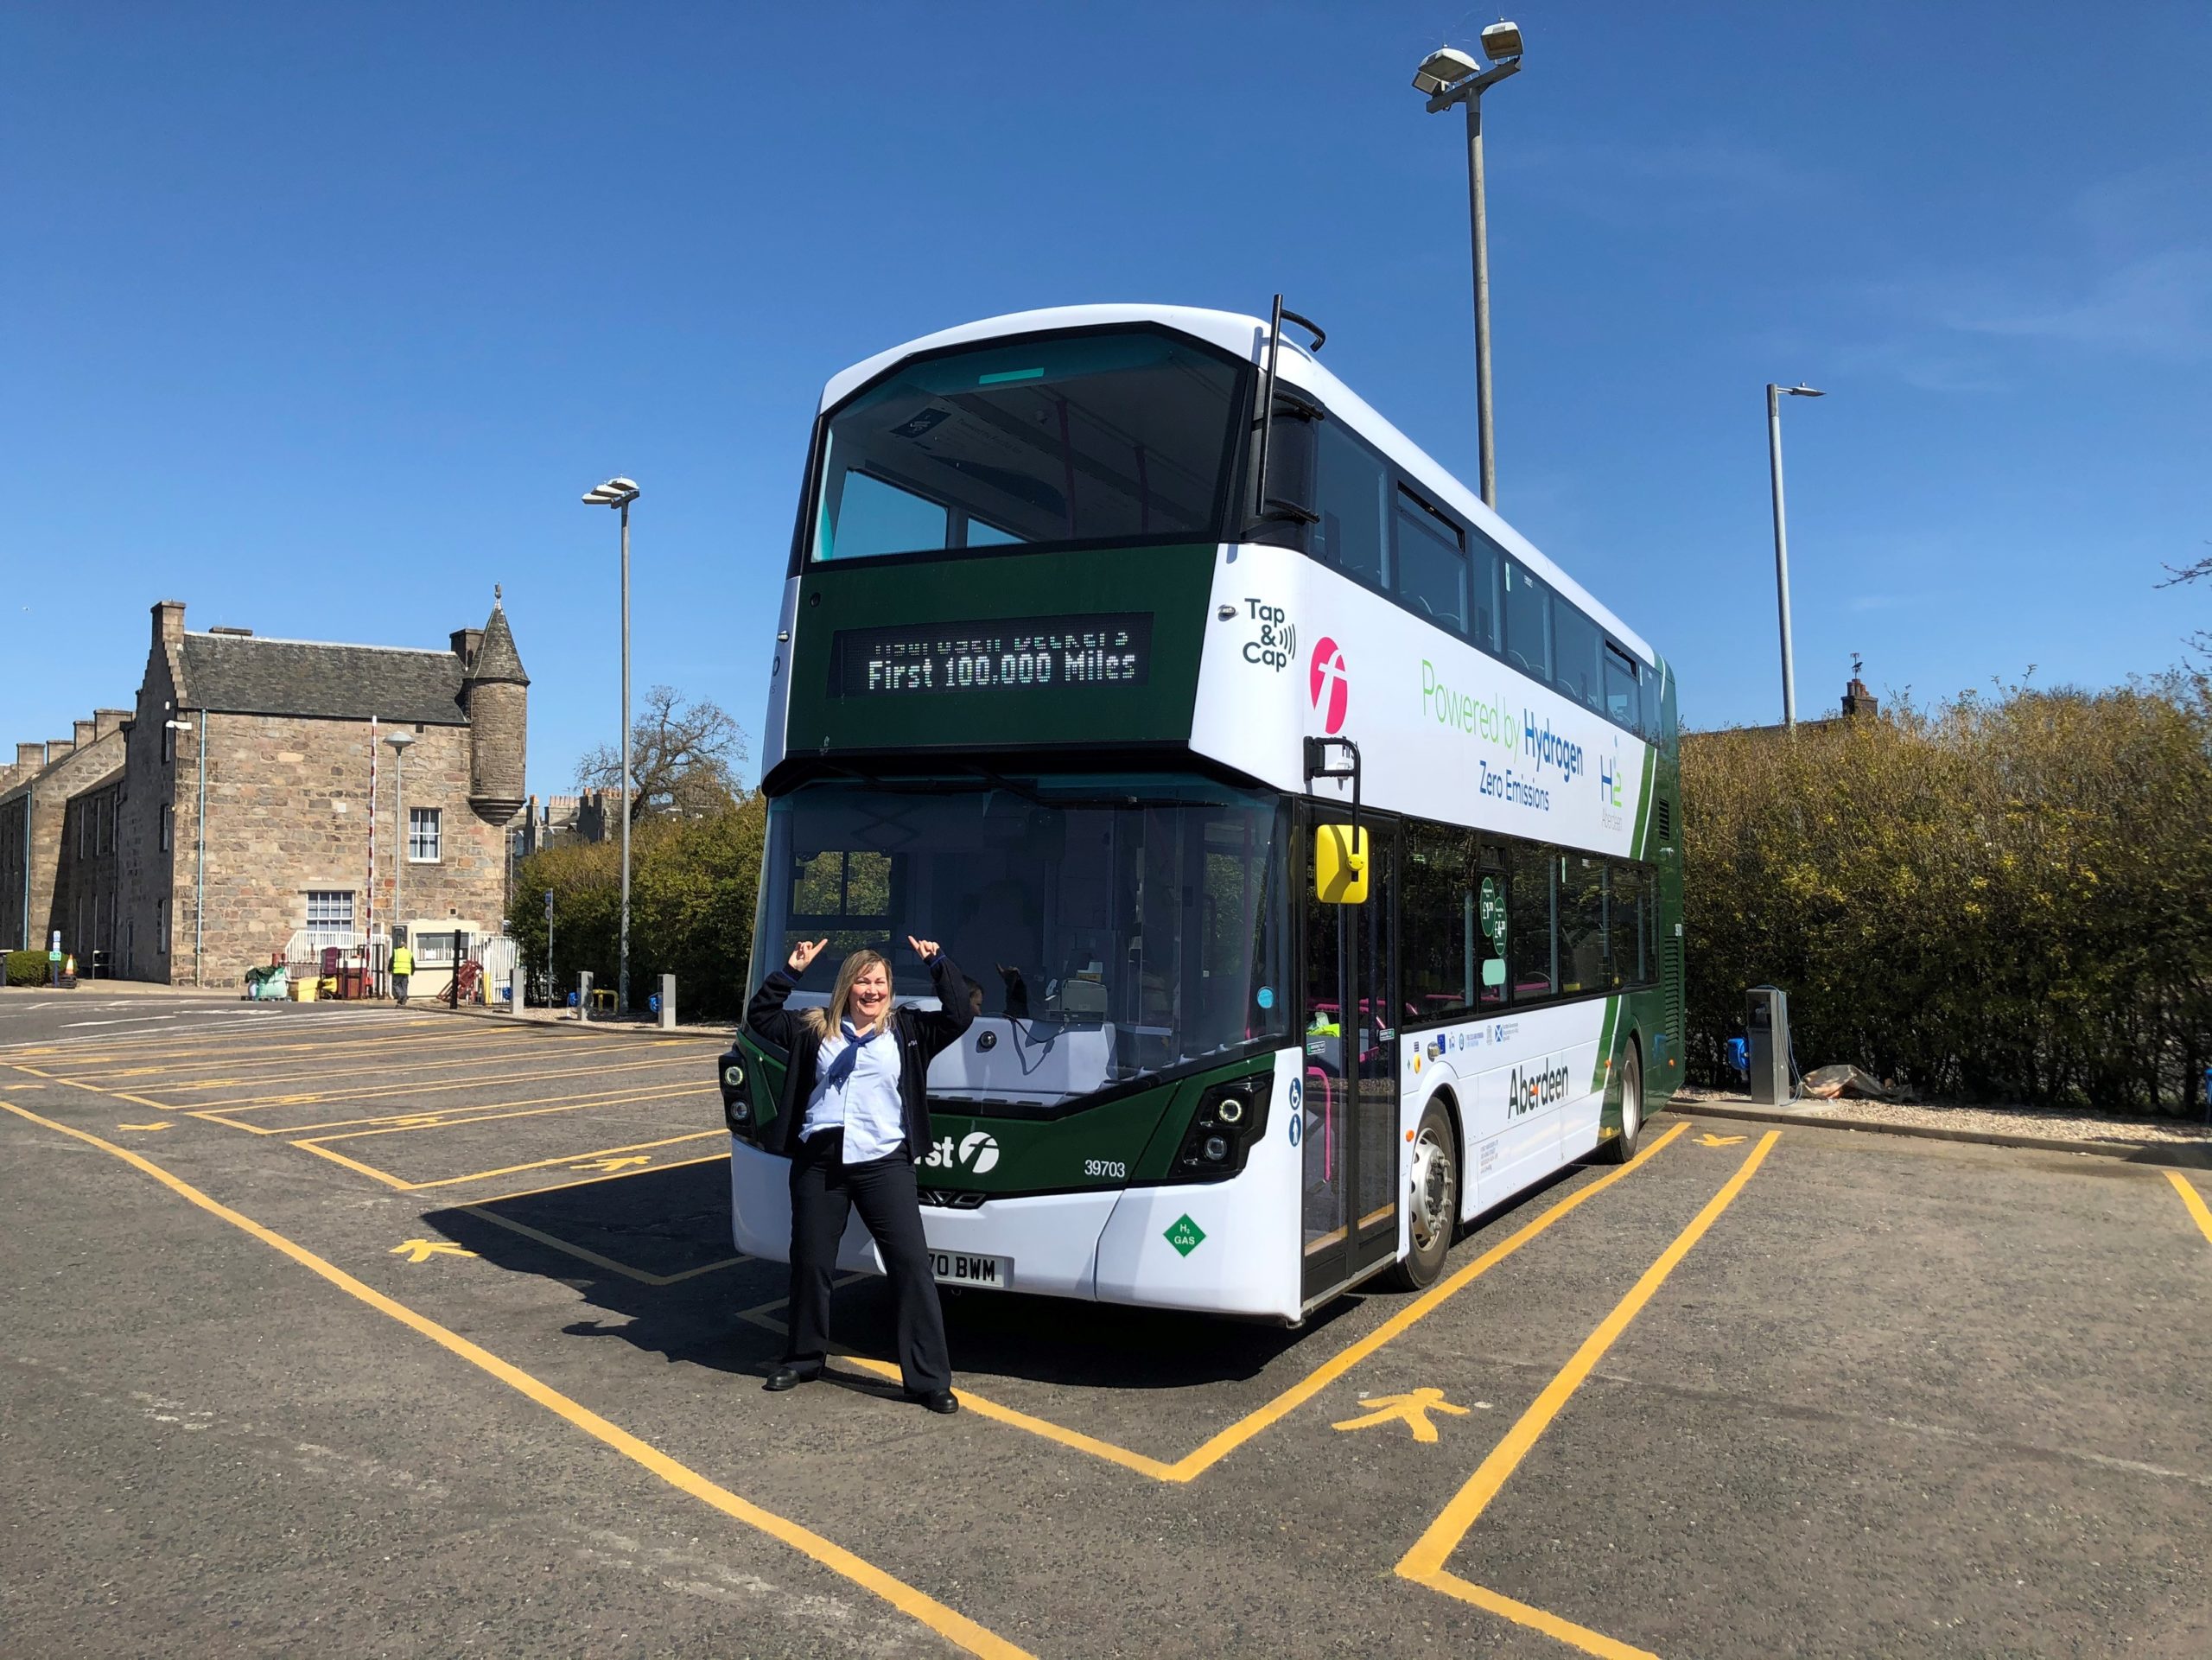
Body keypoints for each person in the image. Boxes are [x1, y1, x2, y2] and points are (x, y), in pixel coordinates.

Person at [747, 934, 974, 1413]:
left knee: (911, 1266)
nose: (872, 990)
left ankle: (929, 1379)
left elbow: (959, 1014)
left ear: (890, 989)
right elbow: (760, 1018)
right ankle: (805, 1358)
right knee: (811, 1264)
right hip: (821, 1161)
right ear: (846, 987)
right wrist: (791, 971)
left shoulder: (908, 1031)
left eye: (880, 982)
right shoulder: (814, 1028)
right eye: (862, 982)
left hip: (883, 1162)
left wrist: (939, 964)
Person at [390, 937, 414, 1005]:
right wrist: (412, 971)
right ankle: (404, 1000)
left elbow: (391, 961)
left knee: (395, 985)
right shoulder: (409, 953)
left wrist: (390, 969)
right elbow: (412, 963)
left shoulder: (396, 952)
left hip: (397, 971)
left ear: (399, 946)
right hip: (406, 972)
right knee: (404, 986)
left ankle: (401, 995)